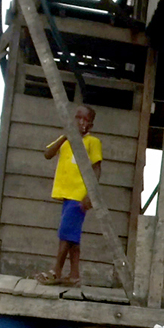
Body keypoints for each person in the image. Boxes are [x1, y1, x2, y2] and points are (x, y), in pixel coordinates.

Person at [35, 106, 101, 287]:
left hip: (79, 196)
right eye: (77, 118)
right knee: (72, 237)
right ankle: (74, 275)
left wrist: (90, 195)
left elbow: (96, 168)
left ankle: (55, 271)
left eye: (85, 120)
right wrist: (66, 135)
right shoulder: (65, 140)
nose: (81, 122)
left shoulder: (92, 142)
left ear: (91, 124)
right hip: (65, 195)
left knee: (65, 233)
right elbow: (48, 154)